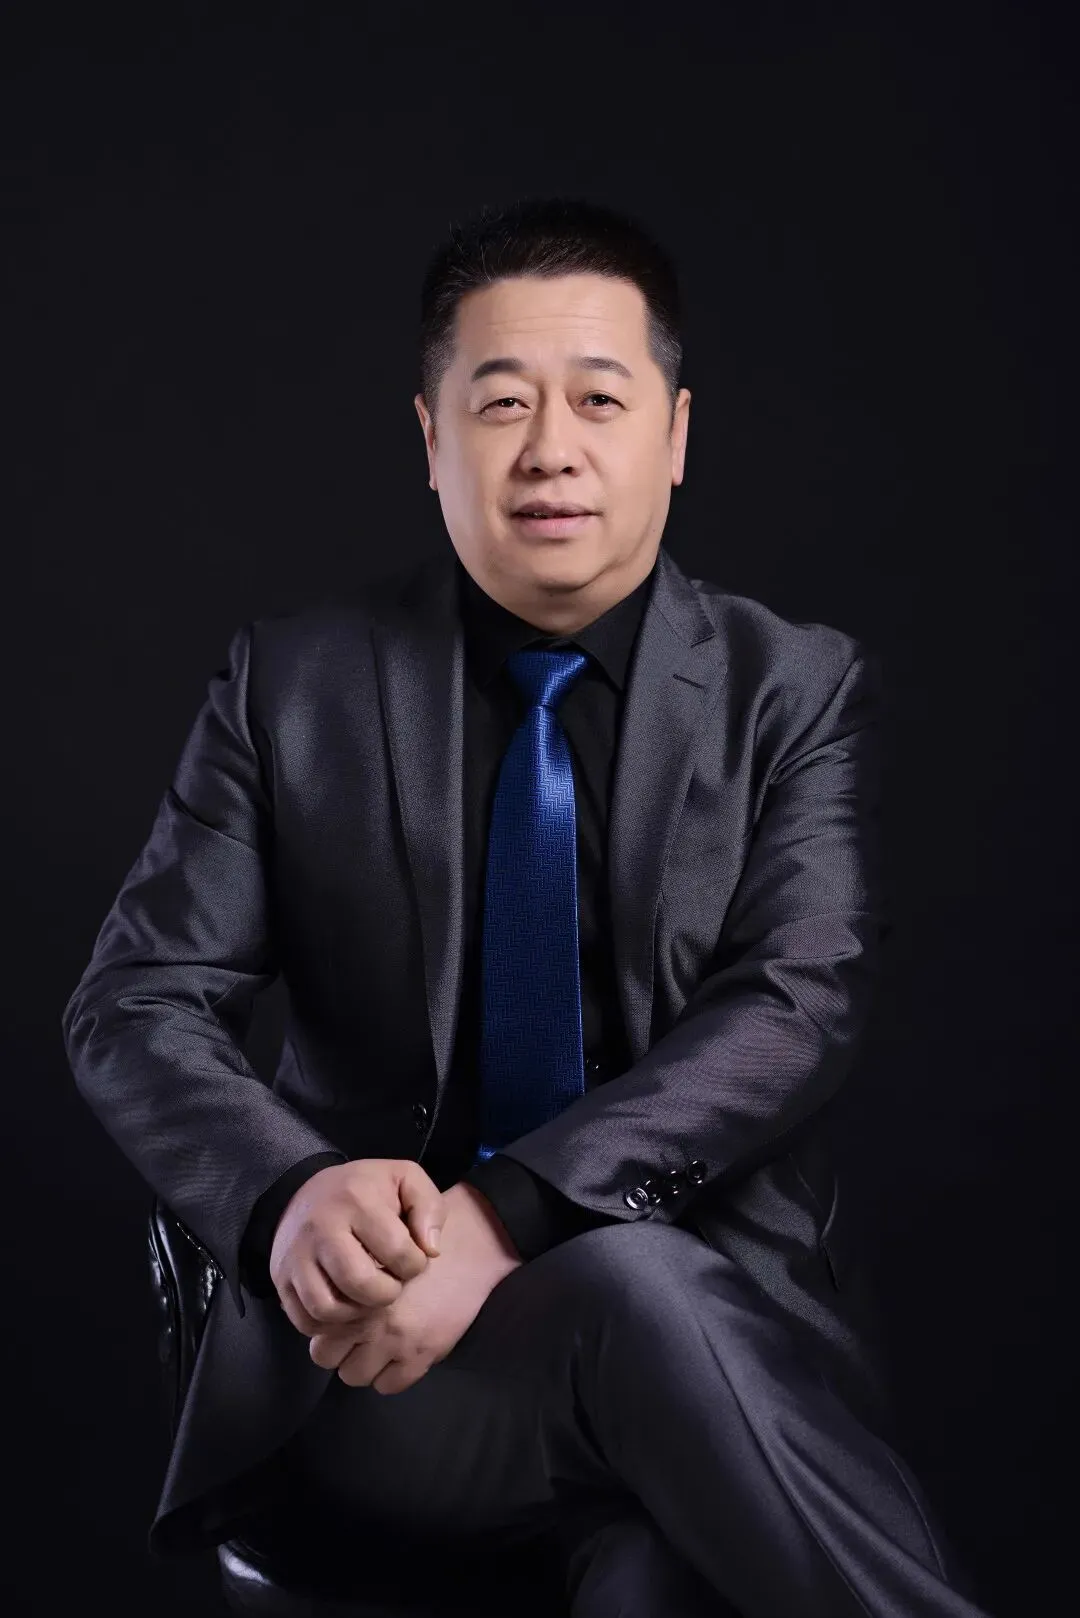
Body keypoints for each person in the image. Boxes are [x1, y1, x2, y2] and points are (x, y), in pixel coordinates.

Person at [62, 195, 993, 1617]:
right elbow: (135, 1000)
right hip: (381, 1366)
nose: (551, 447)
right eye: (501, 402)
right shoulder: (292, 686)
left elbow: (796, 999)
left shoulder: (792, 692)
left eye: (599, 400)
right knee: (636, 1307)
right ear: (430, 437)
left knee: (644, 1549)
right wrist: (292, 1191)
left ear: (675, 436)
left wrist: (503, 1223)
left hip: (713, 1361)